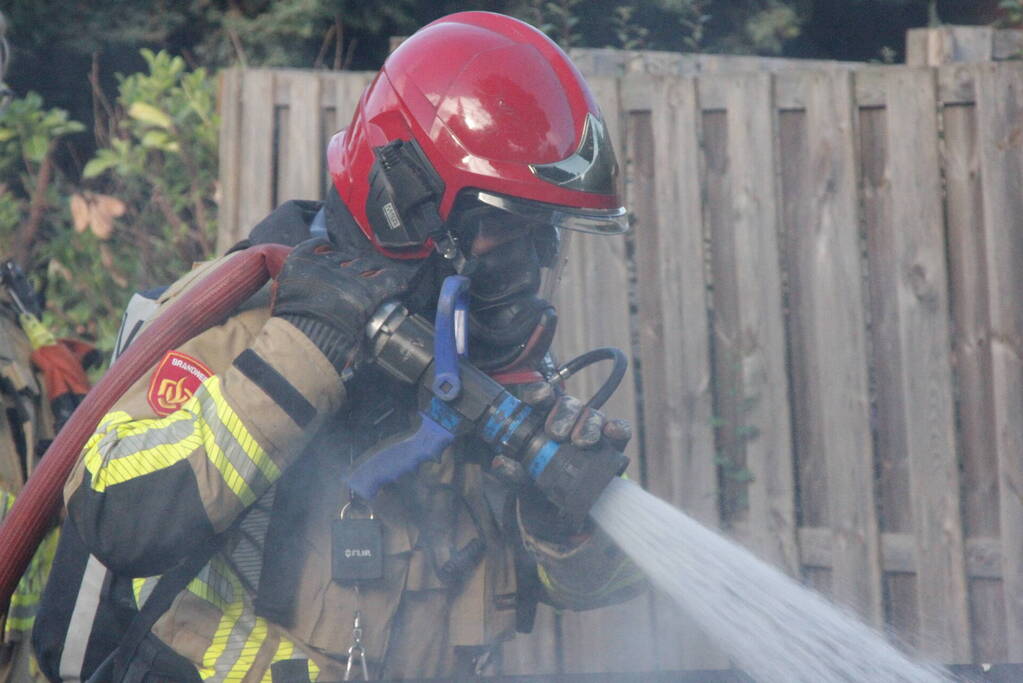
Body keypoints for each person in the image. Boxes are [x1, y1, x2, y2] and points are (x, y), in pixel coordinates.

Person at [33, 11, 644, 681]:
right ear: (407, 200)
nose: (529, 267)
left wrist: (561, 524)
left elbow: (595, 589)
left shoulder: (485, 360)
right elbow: (113, 517)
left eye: (546, 236)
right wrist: (305, 349)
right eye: (510, 229)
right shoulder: (246, 317)